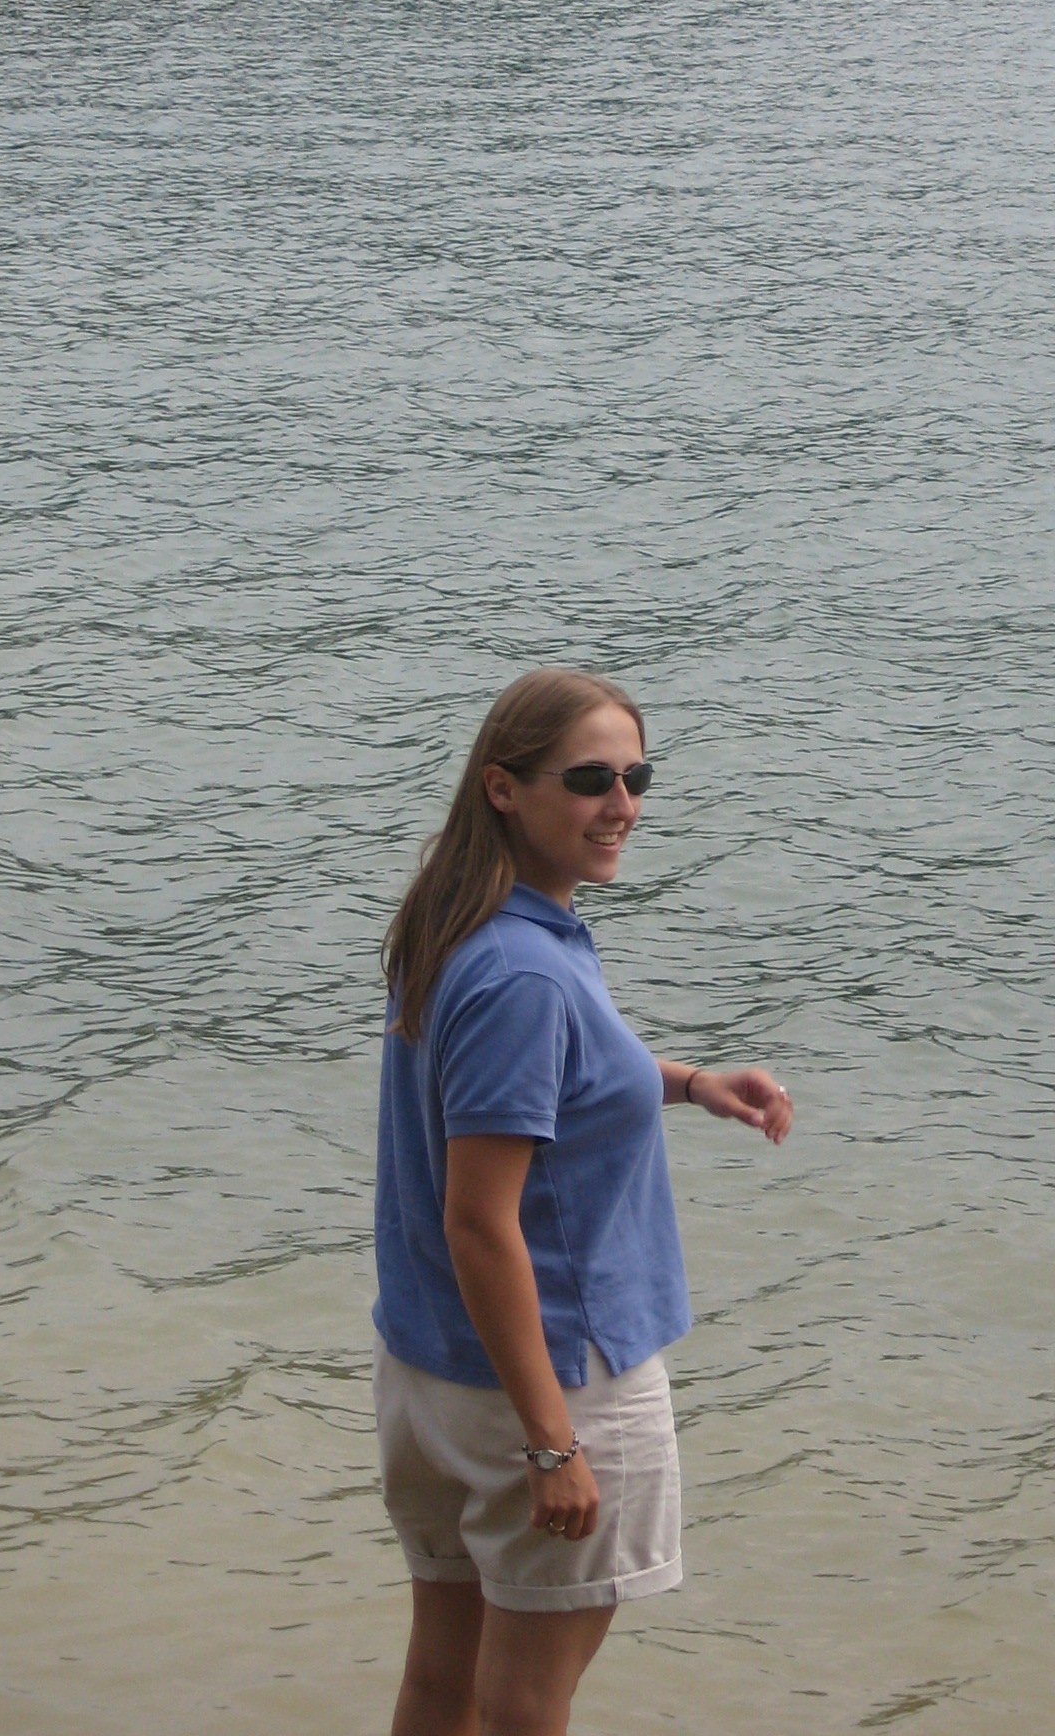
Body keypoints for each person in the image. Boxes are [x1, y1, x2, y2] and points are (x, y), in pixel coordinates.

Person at [373, 668, 793, 1736]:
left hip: (431, 1376)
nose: (622, 806)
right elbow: (481, 1222)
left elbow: (541, 1086)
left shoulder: (460, 927)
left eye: (636, 778)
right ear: (503, 788)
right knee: (525, 1702)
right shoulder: (525, 974)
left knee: (442, 1682)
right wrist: (553, 1446)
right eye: (590, 780)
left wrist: (688, 1082)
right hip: (552, 1379)